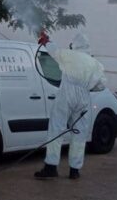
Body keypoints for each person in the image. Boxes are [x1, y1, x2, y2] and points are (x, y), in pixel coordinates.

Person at [34, 32, 106, 180]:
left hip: (67, 93)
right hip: (83, 97)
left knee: (56, 128)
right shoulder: (95, 64)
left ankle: (51, 167)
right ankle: (74, 170)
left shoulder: (70, 55)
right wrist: (87, 86)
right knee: (80, 133)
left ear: (75, 45)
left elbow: (55, 51)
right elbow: (101, 85)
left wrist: (46, 41)